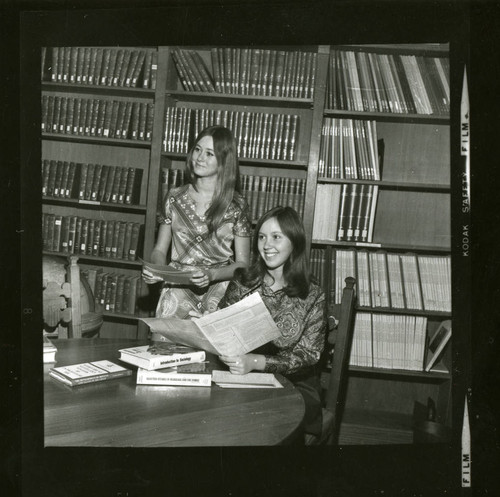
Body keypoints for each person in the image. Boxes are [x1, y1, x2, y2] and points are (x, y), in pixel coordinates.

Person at [217, 206, 326, 438]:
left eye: (276, 237)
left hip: (296, 386)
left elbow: (308, 355)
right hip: (242, 378)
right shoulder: (243, 282)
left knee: (260, 418)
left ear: (294, 242)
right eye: (262, 237)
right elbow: (221, 327)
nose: (267, 245)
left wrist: (256, 361)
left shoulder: (313, 295)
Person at [143, 125, 251, 324]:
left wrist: (211, 274)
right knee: (163, 351)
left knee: (211, 354)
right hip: (175, 291)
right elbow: (159, 249)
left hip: (218, 293)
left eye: (210, 153)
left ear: (224, 161)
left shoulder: (237, 205)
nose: (200, 157)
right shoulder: (174, 197)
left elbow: (243, 265)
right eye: (197, 149)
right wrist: (156, 271)